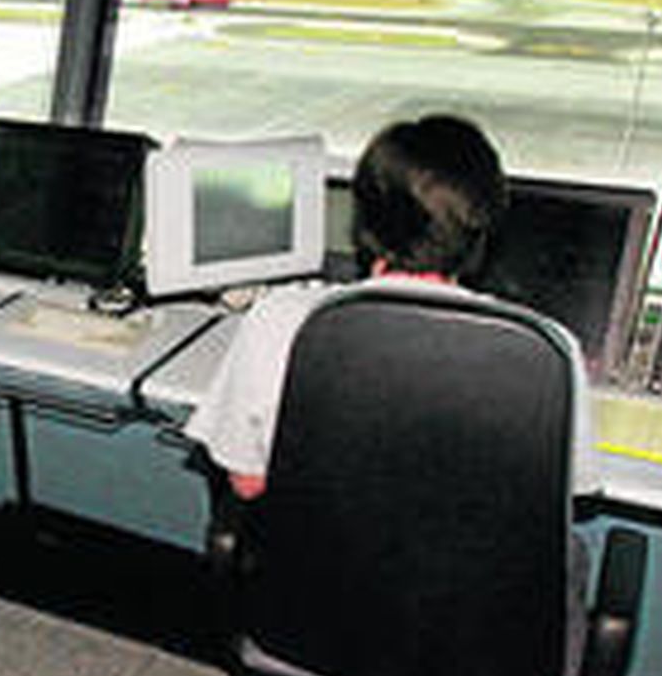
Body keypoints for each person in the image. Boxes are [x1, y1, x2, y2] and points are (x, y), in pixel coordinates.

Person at [185, 114, 595, 501]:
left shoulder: (280, 318)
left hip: (312, 567)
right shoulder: (547, 351)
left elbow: (247, 483)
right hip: (469, 573)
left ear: (363, 220)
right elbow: (556, 497)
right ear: (483, 227)